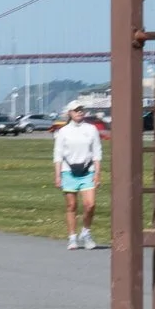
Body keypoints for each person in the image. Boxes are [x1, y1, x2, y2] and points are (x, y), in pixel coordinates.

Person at [53, 102, 103, 248]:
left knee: (90, 205)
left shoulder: (91, 129)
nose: (79, 112)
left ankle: (86, 232)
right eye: (76, 110)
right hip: (68, 171)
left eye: (81, 110)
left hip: (88, 170)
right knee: (71, 205)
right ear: (70, 113)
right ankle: (72, 237)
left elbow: (97, 152)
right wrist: (58, 175)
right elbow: (58, 154)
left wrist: (97, 173)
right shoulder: (63, 131)